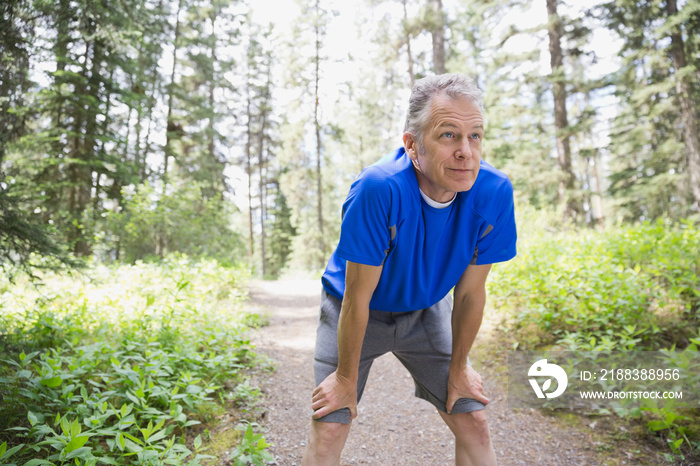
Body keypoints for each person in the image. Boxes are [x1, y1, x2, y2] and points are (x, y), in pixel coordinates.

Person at [302, 73, 517, 466]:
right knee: (331, 422)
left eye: (475, 136)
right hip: (353, 310)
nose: (465, 151)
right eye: (448, 135)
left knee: (473, 419)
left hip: (426, 311)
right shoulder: (377, 188)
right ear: (412, 145)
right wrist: (345, 382)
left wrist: (459, 368)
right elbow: (357, 296)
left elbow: (470, 294)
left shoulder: (494, 192)